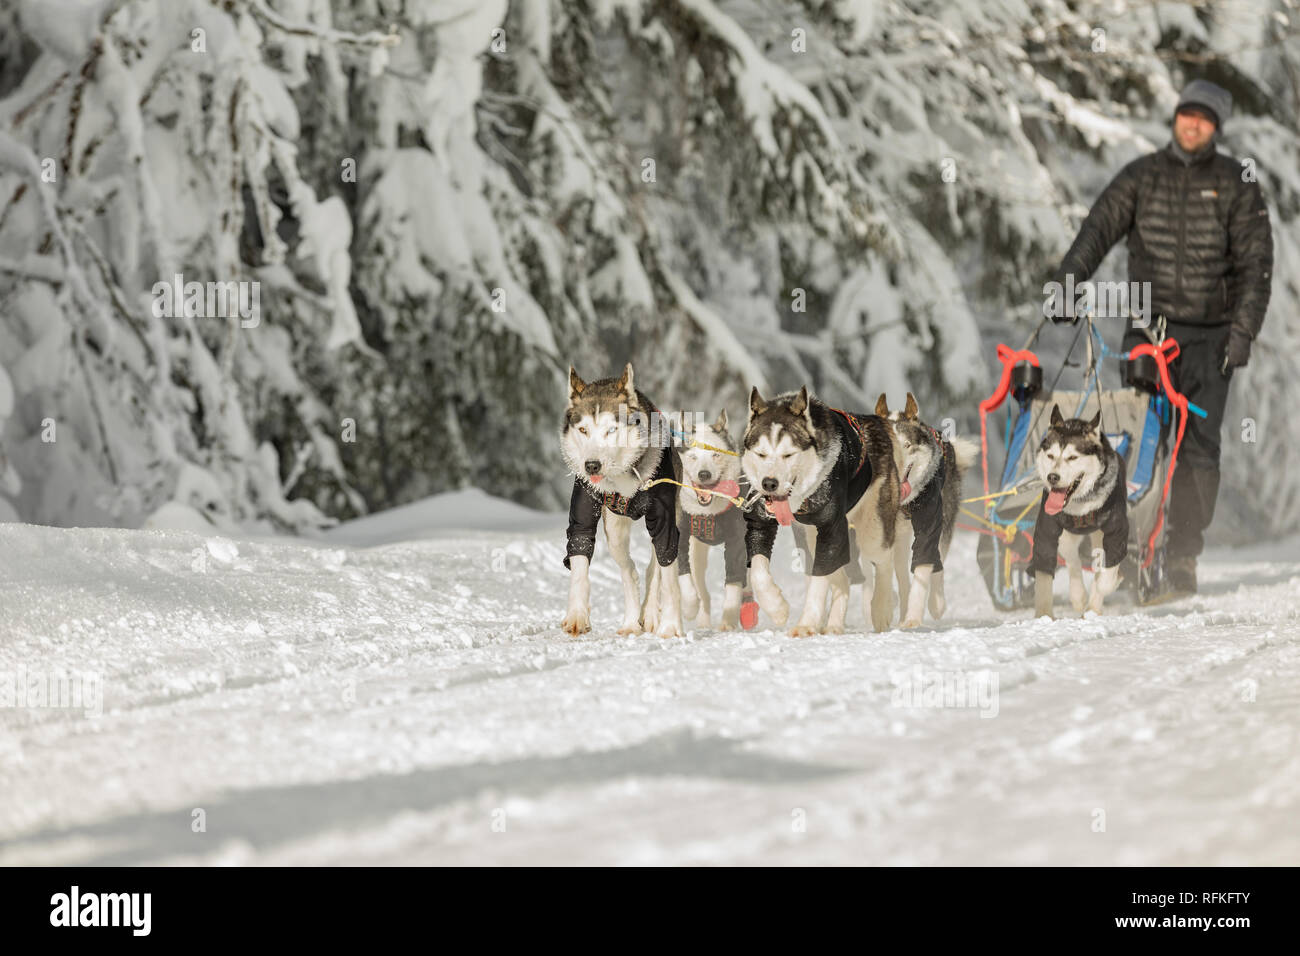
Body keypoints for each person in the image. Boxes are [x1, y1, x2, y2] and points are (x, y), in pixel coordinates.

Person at [1049, 79, 1273, 595]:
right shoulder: (1142, 175)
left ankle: (1182, 554)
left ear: (1216, 127)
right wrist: (1065, 286)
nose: (1193, 123)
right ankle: (1123, 540)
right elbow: (1096, 231)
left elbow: (1256, 266)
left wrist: (1242, 333)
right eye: (1187, 114)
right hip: (1147, 333)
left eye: (1205, 118)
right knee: (1134, 439)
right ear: (1176, 117)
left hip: (1211, 341)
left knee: (1198, 451)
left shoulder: (1236, 181)